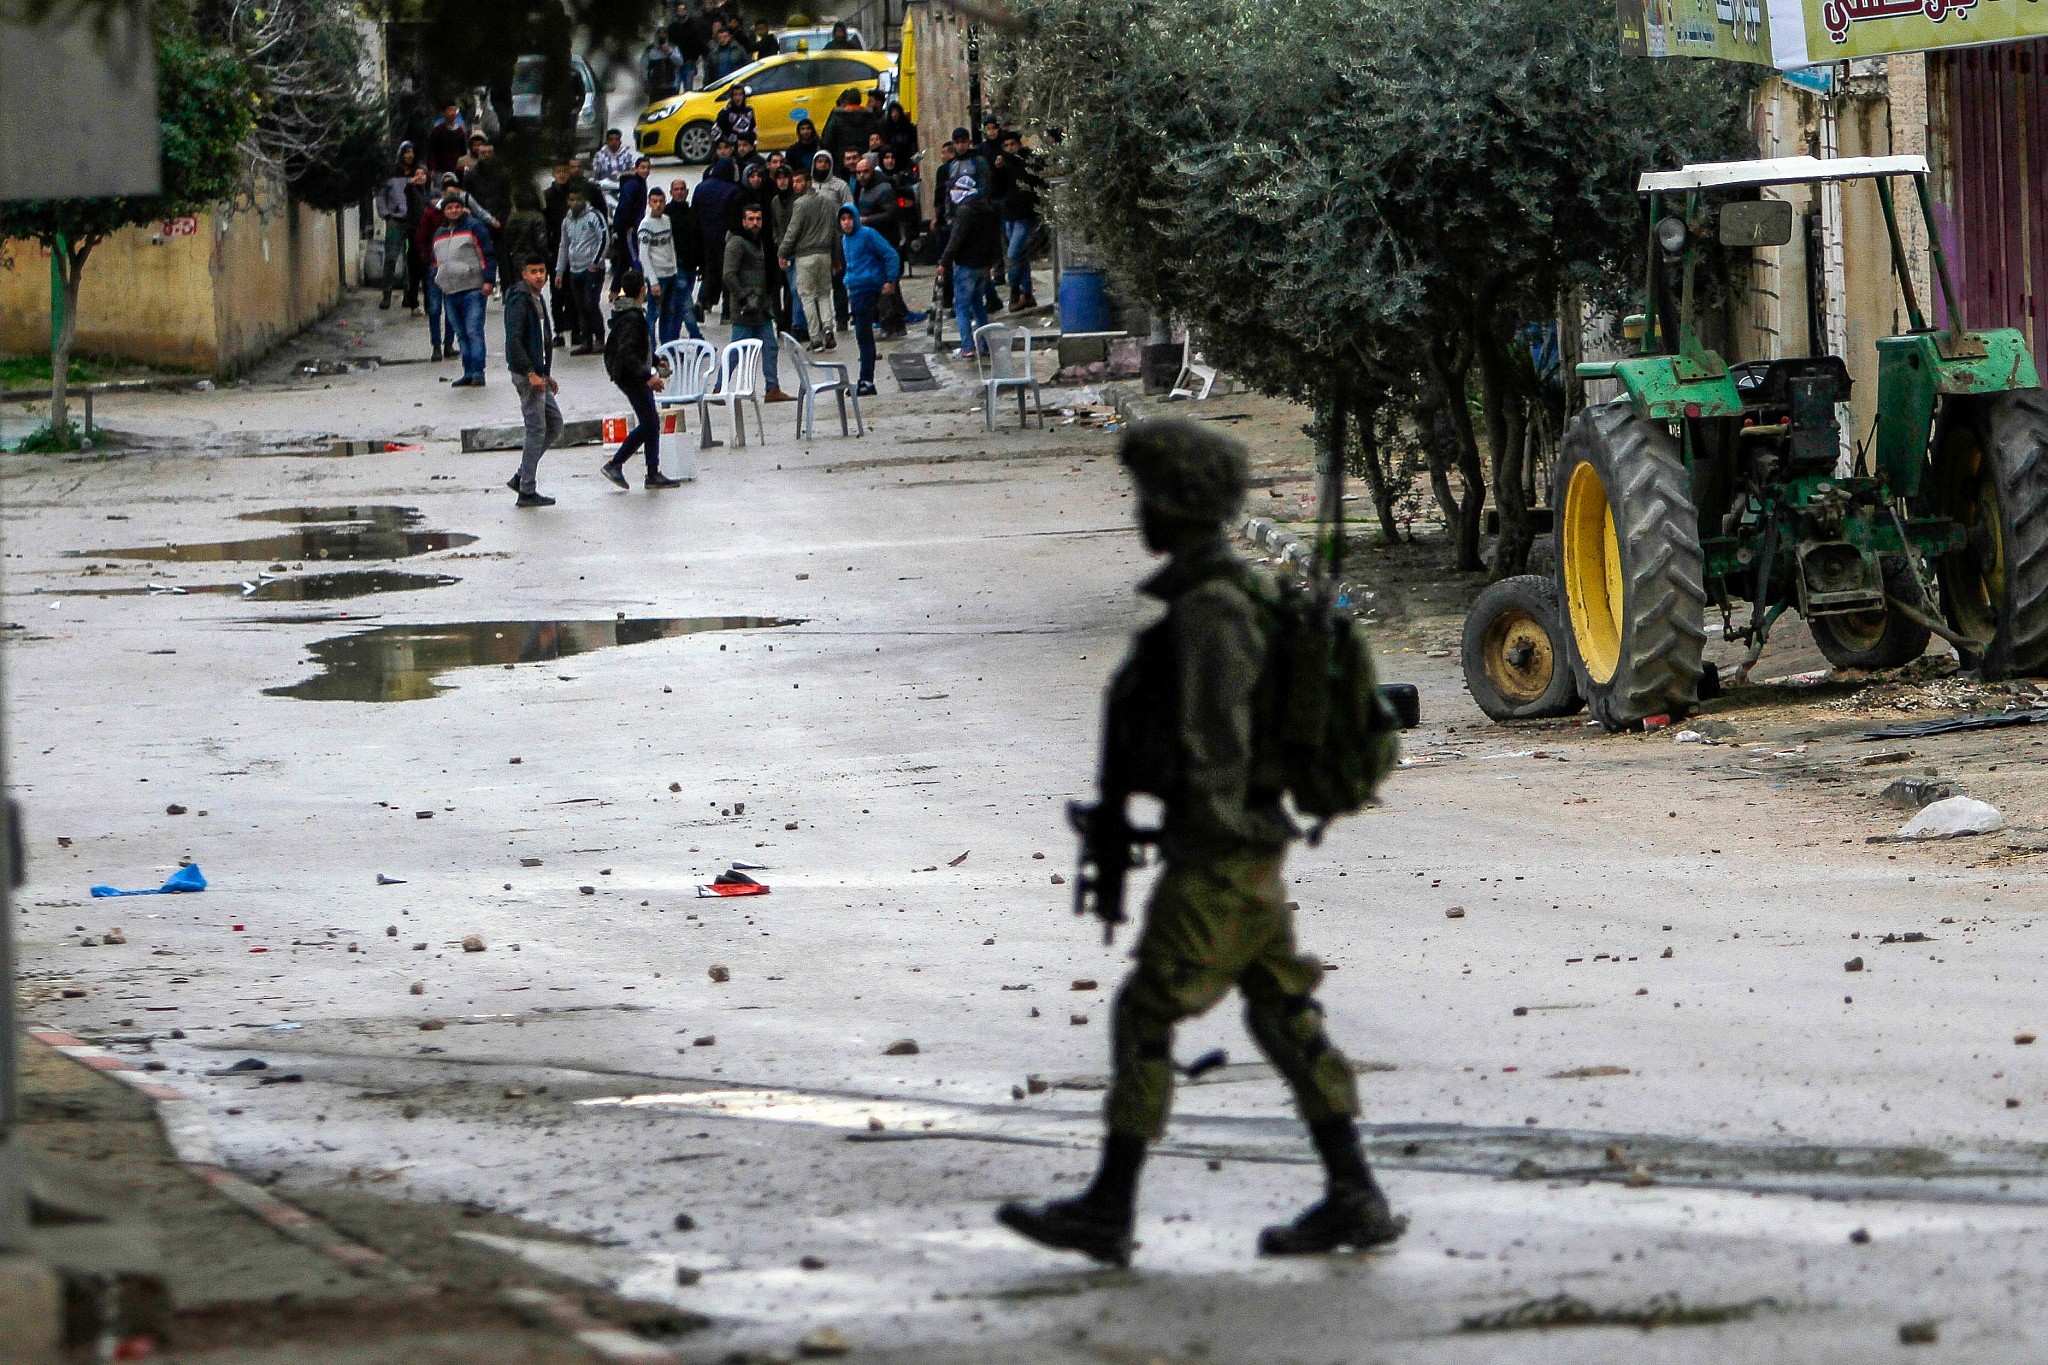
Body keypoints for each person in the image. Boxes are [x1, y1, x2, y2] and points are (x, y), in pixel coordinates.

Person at [995, 421, 1406, 1267]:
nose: (1140, 510)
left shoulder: (1215, 612)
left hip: (1222, 852)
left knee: (1146, 1010)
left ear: (1179, 504)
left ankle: (1110, 1206)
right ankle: (1354, 1190)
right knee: (1284, 1011)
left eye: (1150, 495)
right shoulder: (1211, 598)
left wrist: (1205, 841)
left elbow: (1216, 743)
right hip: (1239, 847)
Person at [600, 271, 685, 490]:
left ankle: (651, 472)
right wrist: (648, 376)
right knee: (649, 423)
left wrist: (655, 361)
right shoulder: (633, 317)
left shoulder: (628, 312)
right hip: (631, 375)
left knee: (651, 422)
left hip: (631, 372)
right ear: (642, 291)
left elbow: (636, 347)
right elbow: (627, 352)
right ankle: (617, 464)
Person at [503, 254, 561, 507]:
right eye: (533, 271)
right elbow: (514, 341)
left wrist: (546, 375)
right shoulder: (519, 300)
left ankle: (521, 475)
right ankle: (527, 489)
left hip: (539, 375)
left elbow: (543, 339)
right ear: (524, 274)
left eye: (542, 271)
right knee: (536, 429)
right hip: (527, 376)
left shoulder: (537, 298)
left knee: (555, 425)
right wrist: (531, 373)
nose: (539, 276)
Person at [723, 202, 795, 402]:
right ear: (743, 221)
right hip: (745, 309)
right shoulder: (737, 243)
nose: (755, 223)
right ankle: (719, 389)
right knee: (736, 351)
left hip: (761, 307)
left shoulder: (761, 242)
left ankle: (772, 388)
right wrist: (744, 297)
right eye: (751, 219)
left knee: (770, 347)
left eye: (758, 219)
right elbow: (729, 275)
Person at [432, 194, 496, 386]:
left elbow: (487, 254)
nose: (453, 211)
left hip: (473, 289)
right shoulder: (439, 233)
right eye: (449, 208)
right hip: (449, 290)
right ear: (444, 211)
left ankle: (478, 371)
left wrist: (489, 280)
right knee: (461, 333)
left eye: (456, 207)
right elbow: (436, 260)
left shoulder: (474, 227)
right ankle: (468, 371)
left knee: (473, 330)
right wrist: (436, 276)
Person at [837, 202, 898, 397]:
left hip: (868, 288)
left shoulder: (868, 235)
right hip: (855, 288)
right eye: (843, 219)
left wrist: (890, 279)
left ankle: (867, 380)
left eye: (849, 219)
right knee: (861, 335)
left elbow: (890, 254)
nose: (846, 223)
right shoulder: (845, 240)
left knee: (864, 336)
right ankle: (864, 378)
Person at [937, 174, 1001, 359]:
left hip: (967, 265)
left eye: (954, 189)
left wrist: (944, 261)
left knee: (962, 307)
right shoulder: (988, 208)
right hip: (983, 265)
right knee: (978, 305)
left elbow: (956, 239)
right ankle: (984, 345)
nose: (952, 193)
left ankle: (967, 347)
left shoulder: (965, 211)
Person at [779, 163, 839, 352]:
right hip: (825, 254)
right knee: (824, 294)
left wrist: (782, 252)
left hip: (805, 256)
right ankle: (828, 327)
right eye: (794, 181)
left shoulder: (800, 204)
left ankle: (815, 338)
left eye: (798, 181)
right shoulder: (828, 202)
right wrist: (836, 257)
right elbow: (834, 232)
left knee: (807, 296)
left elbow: (792, 231)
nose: (795, 185)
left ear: (808, 182)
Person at [638, 187, 700, 346]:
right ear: (649, 203)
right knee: (653, 313)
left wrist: (673, 268)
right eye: (654, 201)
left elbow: (670, 245)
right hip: (657, 277)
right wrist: (653, 281)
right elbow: (643, 255)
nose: (658, 205)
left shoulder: (666, 220)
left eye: (661, 201)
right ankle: (651, 348)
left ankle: (667, 347)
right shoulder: (645, 225)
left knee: (668, 312)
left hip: (671, 274)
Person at [553, 186, 610, 353]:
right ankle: (586, 340)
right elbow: (564, 245)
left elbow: (604, 239)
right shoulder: (567, 221)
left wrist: (596, 262)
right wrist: (559, 270)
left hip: (592, 269)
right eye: (571, 200)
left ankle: (599, 338)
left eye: (578, 199)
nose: (574, 203)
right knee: (579, 306)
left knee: (590, 303)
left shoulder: (594, 216)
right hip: (574, 269)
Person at [994, 131, 1045, 310]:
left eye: (1012, 144)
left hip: (1025, 215)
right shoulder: (1004, 164)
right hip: (1009, 214)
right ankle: (1027, 293)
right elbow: (998, 188)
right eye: (1006, 145)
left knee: (1014, 254)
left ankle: (1015, 290)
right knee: (1020, 256)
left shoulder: (1029, 160)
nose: (1010, 148)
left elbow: (1038, 181)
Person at [691, 160, 742, 317]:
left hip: (705, 237)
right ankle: (727, 311)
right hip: (726, 238)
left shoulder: (701, 187)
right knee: (728, 273)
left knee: (709, 271)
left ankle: (702, 300)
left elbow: (694, 214)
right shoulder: (733, 190)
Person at [376, 152, 414, 309]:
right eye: (406, 152)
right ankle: (387, 294)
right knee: (391, 258)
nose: (409, 156)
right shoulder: (391, 174)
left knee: (410, 260)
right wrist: (386, 214)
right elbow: (380, 195)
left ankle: (408, 294)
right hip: (395, 222)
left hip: (411, 221)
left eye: (412, 152)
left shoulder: (418, 172)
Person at [401, 163, 433, 315]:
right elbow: (406, 190)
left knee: (428, 273)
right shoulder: (411, 190)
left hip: (428, 237)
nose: (420, 176)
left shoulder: (431, 193)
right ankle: (413, 303)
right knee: (414, 272)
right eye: (417, 173)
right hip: (413, 234)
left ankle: (429, 305)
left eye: (423, 174)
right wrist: (411, 183)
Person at [612, 155, 650, 271]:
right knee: (634, 258)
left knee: (624, 261)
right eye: (642, 167)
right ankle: (638, 282)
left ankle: (615, 288)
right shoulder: (633, 185)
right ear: (636, 169)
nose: (646, 171)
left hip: (634, 226)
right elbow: (625, 206)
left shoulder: (641, 183)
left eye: (648, 168)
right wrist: (628, 225)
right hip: (629, 228)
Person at [465, 137, 513, 230]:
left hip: (499, 220)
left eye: (489, 153)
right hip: (478, 221)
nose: (486, 155)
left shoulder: (503, 174)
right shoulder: (470, 175)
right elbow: (468, 199)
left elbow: (506, 199)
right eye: (483, 153)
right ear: (478, 154)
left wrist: (502, 219)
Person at [822, 87, 872, 168]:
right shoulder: (869, 116)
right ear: (860, 101)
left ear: (846, 101)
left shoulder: (837, 117)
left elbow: (827, 140)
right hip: (863, 160)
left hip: (841, 160)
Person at [667, 0, 708, 90]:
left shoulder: (693, 26)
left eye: (683, 10)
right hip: (676, 64)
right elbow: (671, 44)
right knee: (675, 89)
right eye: (679, 10)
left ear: (686, 11)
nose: (681, 12)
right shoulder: (672, 27)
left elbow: (698, 42)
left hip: (689, 62)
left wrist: (697, 57)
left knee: (688, 90)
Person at [425, 103, 467, 177]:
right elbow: (431, 151)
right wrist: (431, 168)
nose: (453, 113)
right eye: (450, 109)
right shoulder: (437, 130)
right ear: (444, 112)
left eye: (455, 110)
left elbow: (463, 151)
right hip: (440, 170)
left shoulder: (460, 131)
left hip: (456, 170)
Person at [881, 101, 917, 165]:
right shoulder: (886, 128)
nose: (894, 114)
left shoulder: (908, 127)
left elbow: (914, 144)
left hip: (908, 158)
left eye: (896, 111)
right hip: (893, 160)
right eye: (892, 111)